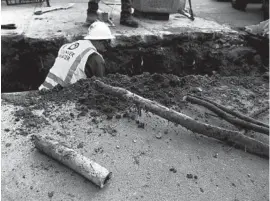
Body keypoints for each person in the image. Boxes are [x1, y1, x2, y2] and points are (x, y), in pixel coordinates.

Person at [39, 22, 112, 90]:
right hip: (59, 97)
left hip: (44, 90)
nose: (108, 46)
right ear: (100, 41)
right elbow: (102, 87)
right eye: (108, 42)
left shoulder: (69, 46)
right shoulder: (95, 59)